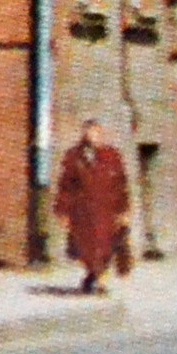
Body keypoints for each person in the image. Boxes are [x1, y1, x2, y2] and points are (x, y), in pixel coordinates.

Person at [54, 117, 133, 293]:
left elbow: (121, 184)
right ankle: (93, 275)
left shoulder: (112, 156)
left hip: (107, 209)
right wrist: (62, 211)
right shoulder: (73, 156)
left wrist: (124, 209)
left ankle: (99, 279)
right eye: (89, 132)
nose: (93, 136)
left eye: (96, 132)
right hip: (83, 211)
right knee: (86, 247)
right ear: (84, 134)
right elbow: (65, 185)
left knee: (105, 246)